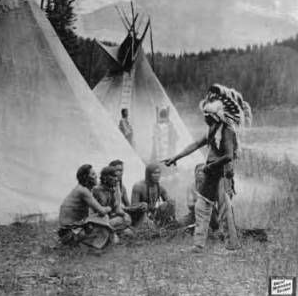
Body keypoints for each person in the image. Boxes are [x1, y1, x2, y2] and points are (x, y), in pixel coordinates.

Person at [164, 84, 252, 252]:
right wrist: (175, 157)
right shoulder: (213, 129)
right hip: (210, 173)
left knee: (225, 210)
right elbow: (196, 144)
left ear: (215, 116)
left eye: (207, 115)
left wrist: (211, 165)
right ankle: (198, 245)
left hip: (222, 175)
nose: (204, 118)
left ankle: (232, 246)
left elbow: (228, 156)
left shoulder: (227, 131)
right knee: (202, 208)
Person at [58, 164, 113, 249]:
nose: (96, 177)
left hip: (71, 228)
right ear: (86, 177)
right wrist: (109, 208)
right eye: (93, 174)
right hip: (69, 231)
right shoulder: (83, 191)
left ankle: (86, 244)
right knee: (104, 219)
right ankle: (91, 247)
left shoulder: (82, 189)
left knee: (102, 222)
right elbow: (101, 211)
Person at [131, 164, 176, 228]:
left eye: (158, 173)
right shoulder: (138, 186)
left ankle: (169, 223)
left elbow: (169, 201)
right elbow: (133, 206)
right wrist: (142, 206)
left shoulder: (159, 187)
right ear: (148, 174)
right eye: (154, 173)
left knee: (171, 202)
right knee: (147, 226)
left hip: (153, 214)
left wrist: (170, 206)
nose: (157, 175)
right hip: (141, 216)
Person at [93, 166, 132, 239]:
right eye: (113, 176)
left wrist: (124, 215)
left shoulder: (111, 190)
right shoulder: (96, 190)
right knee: (120, 234)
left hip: (109, 219)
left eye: (116, 176)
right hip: (97, 221)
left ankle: (111, 232)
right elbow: (97, 212)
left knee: (128, 228)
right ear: (105, 177)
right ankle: (108, 233)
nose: (116, 179)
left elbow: (116, 209)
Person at [108, 159, 148, 227]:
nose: (120, 173)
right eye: (118, 170)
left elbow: (128, 205)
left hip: (123, 211)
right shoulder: (106, 187)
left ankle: (140, 227)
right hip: (113, 214)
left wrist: (135, 208)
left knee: (143, 206)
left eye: (121, 170)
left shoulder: (122, 187)